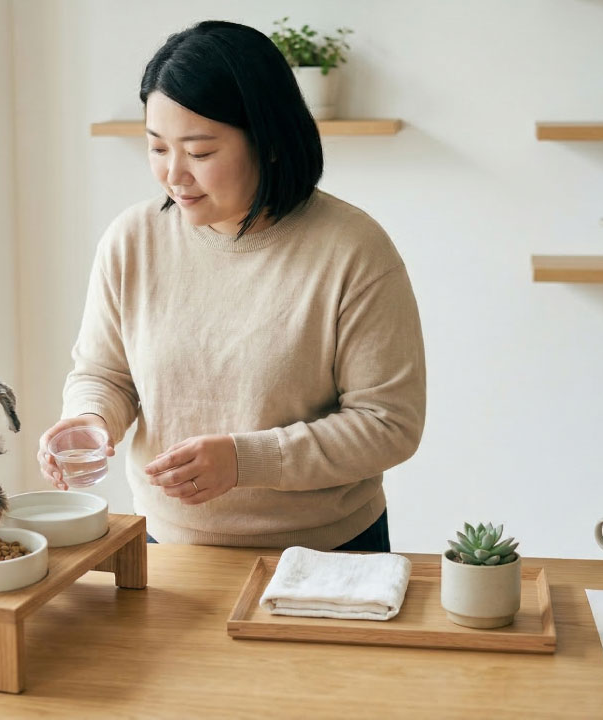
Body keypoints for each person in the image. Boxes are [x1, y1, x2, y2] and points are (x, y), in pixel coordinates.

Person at [36, 20, 425, 552]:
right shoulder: (133, 239)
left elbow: (388, 424)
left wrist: (246, 460)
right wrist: (89, 419)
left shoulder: (353, 249)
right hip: (163, 547)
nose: (174, 175)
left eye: (199, 153)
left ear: (267, 142)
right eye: (156, 148)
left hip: (323, 553)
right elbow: (105, 372)